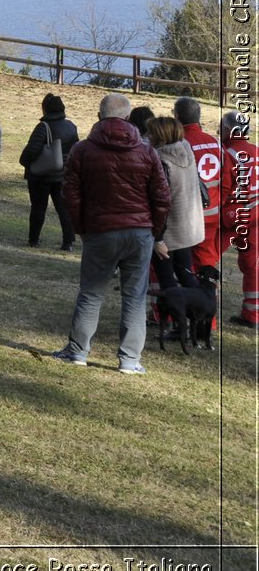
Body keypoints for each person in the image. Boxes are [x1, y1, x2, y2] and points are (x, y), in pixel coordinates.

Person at [50, 93, 171, 373]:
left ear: (99, 115)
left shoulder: (83, 150)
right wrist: (155, 229)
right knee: (134, 296)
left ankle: (78, 351)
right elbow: (162, 196)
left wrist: (81, 227)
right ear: (128, 118)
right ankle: (129, 359)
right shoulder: (146, 151)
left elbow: (70, 194)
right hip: (138, 231)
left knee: (92, 293)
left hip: (100, 230)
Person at [146, 116, 202, 291]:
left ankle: (174, 317)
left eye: (151, 132)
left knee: (167, 279)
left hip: (167, 230)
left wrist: (158, 238)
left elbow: (160, 202)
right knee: (185, 273)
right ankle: (200, 313)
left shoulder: (161, 162)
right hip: (187, 227)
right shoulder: (187, 151)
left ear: (159, 136)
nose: (147, 135)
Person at [19, 93, 79, 248]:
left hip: (41, 176)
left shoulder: (43, 127)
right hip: (63, 175)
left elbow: (32, 150)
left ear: (45, 109)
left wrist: (24, 162)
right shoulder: (71, 126)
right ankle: (68, 242)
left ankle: (33, 240)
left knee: (39, 208)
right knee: (63, 209)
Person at [176, 97, 225, 273]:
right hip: (213, 211)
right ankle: (210, 294)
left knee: (185, 262)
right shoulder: (217, 143)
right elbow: (226, 180)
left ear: (176, 117)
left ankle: (194, 294)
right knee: (206, 258)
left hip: (189, 214)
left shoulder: (180, 144)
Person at [220, 111, 258, 329]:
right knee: (252, 264)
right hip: (256, 214)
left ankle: (200, 309)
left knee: (206, 257)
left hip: (231, 216)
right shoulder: (257, 152)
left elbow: (223, 189)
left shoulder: (226, 153)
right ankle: (252, 314)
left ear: (228, 130)